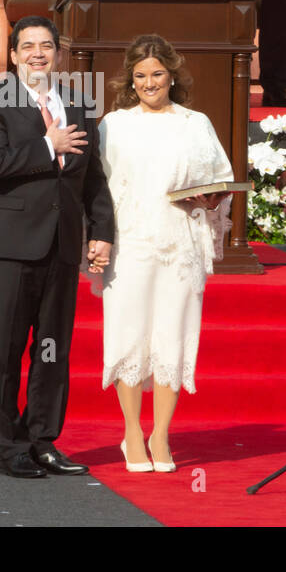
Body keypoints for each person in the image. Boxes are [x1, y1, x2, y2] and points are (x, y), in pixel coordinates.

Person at [0, 16, 115, 478]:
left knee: (53, 348)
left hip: (61, 245)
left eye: (46, 45)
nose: (38, 53)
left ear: (58, 53)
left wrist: (102, 230)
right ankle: (9, 446)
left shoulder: (78, 102)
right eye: (28, 46)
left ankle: (43, 440)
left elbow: (92, 176)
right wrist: (46, 144)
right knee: (6, 350)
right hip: (12, 246)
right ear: (13, 56)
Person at [97, 35, 234, 472]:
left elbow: (221, 180)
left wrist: (210, 200)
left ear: (172, 75)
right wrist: (97, 238)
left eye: (157, 74)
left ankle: (161, 435)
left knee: (172, 337)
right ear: (130, 80)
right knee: (129, 333)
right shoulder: (113, 125)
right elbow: (96, 189)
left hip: (181, 241)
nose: (149, 83)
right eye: (140, 76)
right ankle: (132, 433)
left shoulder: (196, 123)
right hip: (130, 240)